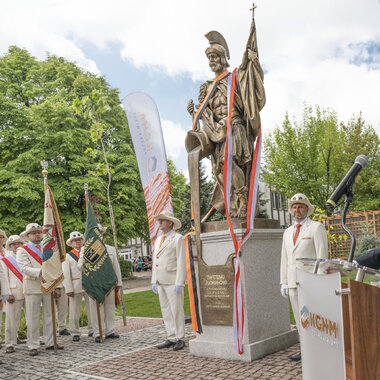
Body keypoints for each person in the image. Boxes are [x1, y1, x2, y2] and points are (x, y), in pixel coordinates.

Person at [280, 194, 328, 361]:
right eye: (294, 207)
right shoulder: (286, 232)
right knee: (300, 320)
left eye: (300, 206)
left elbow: (322, 258)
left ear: (307, 209)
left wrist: (320, 282)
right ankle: (305, 351)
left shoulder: (316, 228)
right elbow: (284, 259)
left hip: (311, 282)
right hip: (293, 283)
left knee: (313, 318)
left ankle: (319, 350)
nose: (296, 209)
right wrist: (284, 282)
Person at [16, 223, 63, 356]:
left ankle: (50, 342)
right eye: (34, 232)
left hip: (48, 285)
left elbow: (55, 266)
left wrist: (57, 286)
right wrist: (42, 271)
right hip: (32, 286)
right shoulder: (22, 250)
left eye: (39, 232)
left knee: (50, 315)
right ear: (28, 235)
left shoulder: (47, 247)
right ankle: (33, 345)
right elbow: (24, 268)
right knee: (33, 317)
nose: (37, 234)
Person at [152, 211, 186, 351]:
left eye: (162, 220)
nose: (159, 222)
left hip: (173, 281)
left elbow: (182, 261)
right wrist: (154, 280)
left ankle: (180, 337)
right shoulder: (159, 239)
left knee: (176, 310)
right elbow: (156, 261)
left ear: (170, 223)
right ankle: (171, 336)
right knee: (166, 310)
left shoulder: (178, 238)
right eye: (159, 220)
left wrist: (180, 282)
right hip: (160, 280)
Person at [85, 224, 122, 343]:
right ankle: (97, 332)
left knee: (109, 308)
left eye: (100, 232)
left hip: (109, 284)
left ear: (102, 233)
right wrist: (89, 264)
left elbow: (116, 267)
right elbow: (79, 265)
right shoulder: (86, 249)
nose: (98, 234)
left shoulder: (110, 249)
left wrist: (119, 282)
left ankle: (110, 331)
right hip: (95, 284)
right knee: (96, 310)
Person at [62, 231, 92, 342]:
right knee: (74, 311)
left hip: (89, 285)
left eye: (80, 239)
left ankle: (92, 329)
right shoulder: (68, 256)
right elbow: (66, 273)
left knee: (91, 309)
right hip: (75, 286)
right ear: (71, 243)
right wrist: (68, 288)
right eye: (75, 240)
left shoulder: (88, 252)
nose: (78, 241)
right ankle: (75, 332)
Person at [1, 235, 25, 353]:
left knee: (31, 317)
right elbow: (4, 277)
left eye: (19, 243)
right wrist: (7, 293)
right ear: (9, 246)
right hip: (13, 292)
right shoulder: (5, 259)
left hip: (28, 290)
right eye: (14, 244)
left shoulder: (26, 256)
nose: (17, 246)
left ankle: (32, 339)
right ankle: (9, 343)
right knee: (11, 319)